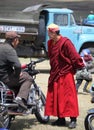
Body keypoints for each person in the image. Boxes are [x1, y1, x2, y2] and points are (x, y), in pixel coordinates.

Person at [44, 23, 85, 129]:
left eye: (49, 32)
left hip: (66, 73)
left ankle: (73, 119)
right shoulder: (50, 43)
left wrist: (79, 66)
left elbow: (74, 56)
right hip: (55, 73)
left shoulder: (65, 42)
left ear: (54, 32)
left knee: (69, 97)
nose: (48, 34)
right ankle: (61, 119)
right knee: (57, 96)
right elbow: (52, 57)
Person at [0, 31, 33, 110]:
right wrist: (17, 75)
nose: (18, 42)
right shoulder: (9, 50)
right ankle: (20, 98)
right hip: (6, 78)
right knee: (28, 78)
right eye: (18, 40)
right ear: (14, 40)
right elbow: (17, 66)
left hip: (1, 78)